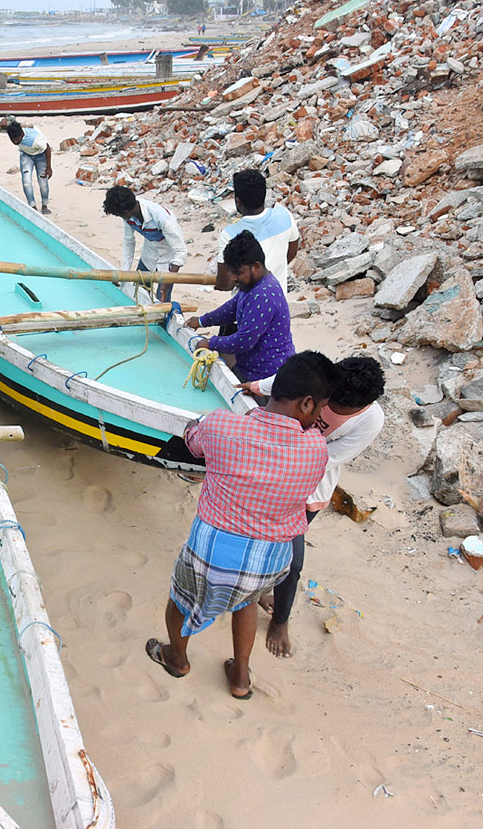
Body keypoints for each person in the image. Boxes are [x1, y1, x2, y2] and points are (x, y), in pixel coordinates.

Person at [145, 350, 339, 699]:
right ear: (307, 404)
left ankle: (176, 658)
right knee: (244, 601)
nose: (319, 419)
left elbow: (194, 443)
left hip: (212, 559)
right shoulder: (316, 448)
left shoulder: (221, 426)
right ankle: (240, 678)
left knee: (181, 599)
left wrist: (195, 427)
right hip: (267, 566)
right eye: (322, 409)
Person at [240, 357, 386, 657]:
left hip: (307, 488)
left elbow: (331, 457)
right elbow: (283, 384)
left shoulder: (371, 420)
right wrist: (254, 386)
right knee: (254, 538)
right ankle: (257, 590)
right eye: (327, 403)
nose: (328, 410)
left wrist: (284, 458)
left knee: (291, 560)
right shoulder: (318, 380)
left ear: (361, 407)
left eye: (337, 409)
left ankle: (280, 619)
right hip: (269, 471)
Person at [185, 230, 294, 381]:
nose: (233, 278)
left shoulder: (263, 294)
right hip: (249, 365)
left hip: (266, 376)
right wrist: (202, 321)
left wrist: (211, 342)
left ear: (256, 266)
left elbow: (244, 341)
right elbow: (231, 308)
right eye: (231, 273)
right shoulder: (250, 285)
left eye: (238, 273)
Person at [215, 170, 300, 293]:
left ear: (238, 201)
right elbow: (291, 251)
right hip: (279, 302)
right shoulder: (284, 216)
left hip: (248, 306)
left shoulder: (230, 234)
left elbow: (225, 284)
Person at [102, 185, 188, 303]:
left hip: (169, 255)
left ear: (126, 212)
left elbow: (181, 252)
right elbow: (129, 241)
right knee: (139, 290)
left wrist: (167, 283)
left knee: (162, 299)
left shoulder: (162, 218)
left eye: (119, 215)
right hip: (150, 251)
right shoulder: (128, 215)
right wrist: (124, 273)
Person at [6, 120, 52, 214]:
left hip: (40, 154)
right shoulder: (13, 132)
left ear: (22, 134)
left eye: (17, 139)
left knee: (42, 181)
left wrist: (48, 167)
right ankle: (32, 206)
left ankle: (44, 205)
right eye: (12, 139)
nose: (15, 141)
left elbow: (47, 148)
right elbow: (8, 120)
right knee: (26, 181)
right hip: (26, 154)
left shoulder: (35, 139)